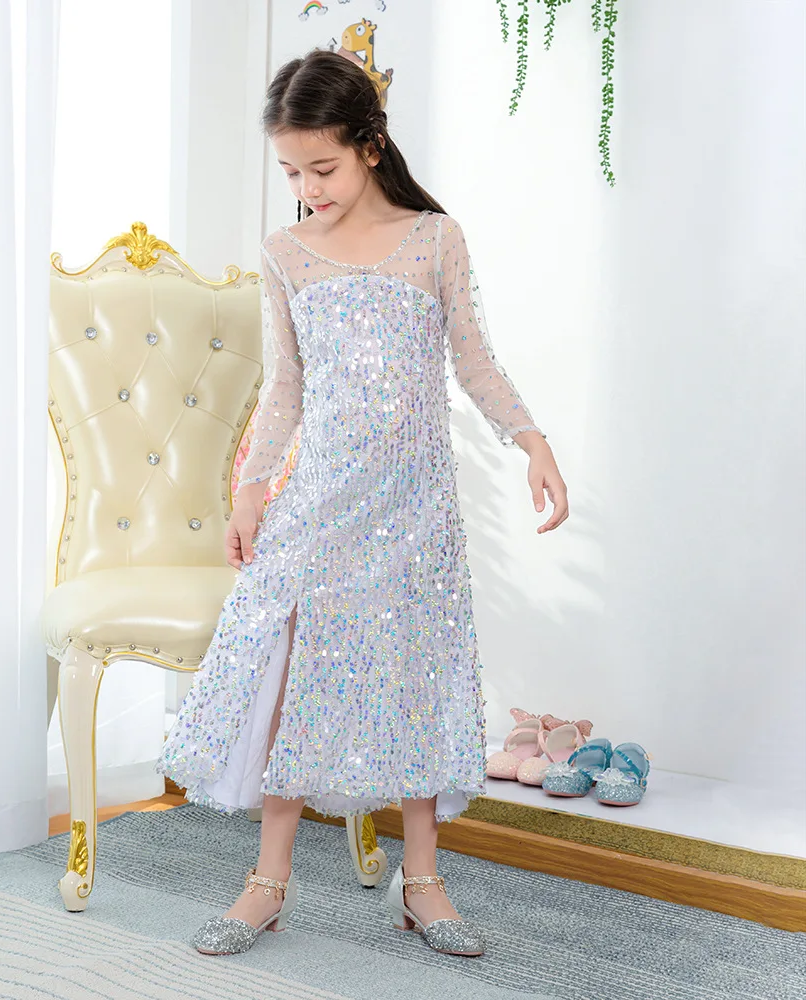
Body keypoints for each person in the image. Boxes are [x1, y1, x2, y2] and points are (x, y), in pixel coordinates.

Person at [156, 48, 568, 959]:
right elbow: (285, 390)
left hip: (415, 508)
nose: (307, 190)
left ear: (371, 147)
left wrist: (532, 441)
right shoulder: (286, 254)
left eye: (323, 169)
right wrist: (251, 492)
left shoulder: (435, 240)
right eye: (290, 172)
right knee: (293, 675)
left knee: (416, 676)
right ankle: (266, 885)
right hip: (318, 503)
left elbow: (474, 359)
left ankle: (423, 884)